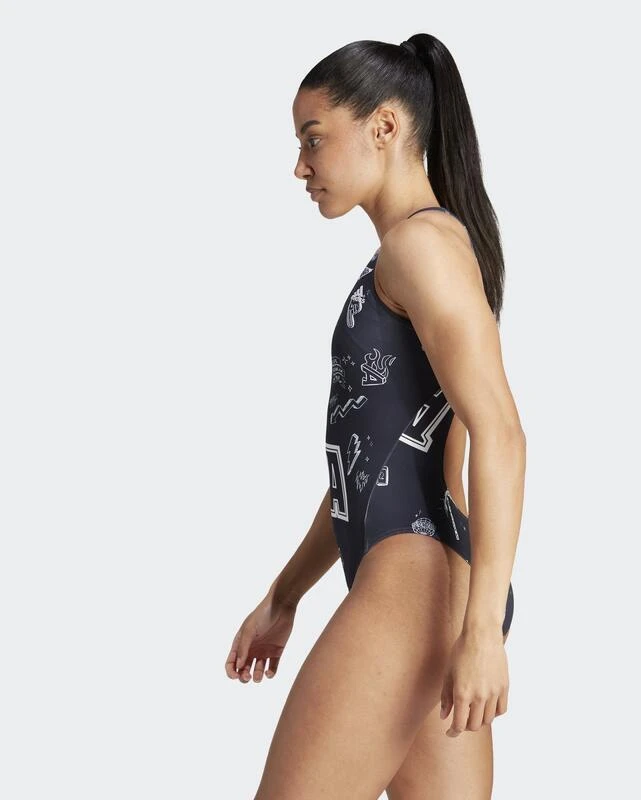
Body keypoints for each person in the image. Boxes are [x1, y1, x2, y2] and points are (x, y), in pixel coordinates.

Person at [225, 33, 527, 799]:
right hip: (430, 587)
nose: (301, 167)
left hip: (412, 590)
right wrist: (284, 595)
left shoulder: (420, 247)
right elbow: (367, 470)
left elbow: (501, 433)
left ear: (384, 127)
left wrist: (483, 632)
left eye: (313, 139)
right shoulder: (417, 251)